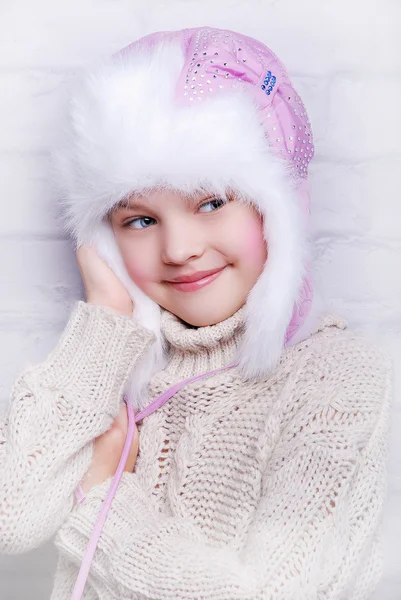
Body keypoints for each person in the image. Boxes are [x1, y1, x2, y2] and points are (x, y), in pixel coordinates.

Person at [0, 25, 393, 600]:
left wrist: (105, 495)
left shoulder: (337, 380)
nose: (179, 248)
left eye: (211, 201)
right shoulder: (110, 376)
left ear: (275, 208)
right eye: (138, 219)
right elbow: (13, 518)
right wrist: (106, 320)